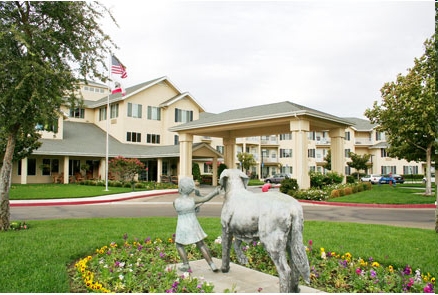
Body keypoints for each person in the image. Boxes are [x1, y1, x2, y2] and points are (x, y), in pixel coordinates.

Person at [173, 177, 221, 272]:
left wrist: (193, 209)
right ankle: (212, 264)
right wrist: (215, 192)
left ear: (180, 189)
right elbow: (205, 198)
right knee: (201, 244)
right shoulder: (192, 200)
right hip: (193, 224)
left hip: (182, 226)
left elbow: (180, 210)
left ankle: (186, 264)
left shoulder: (176, 202)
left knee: (179, 245)